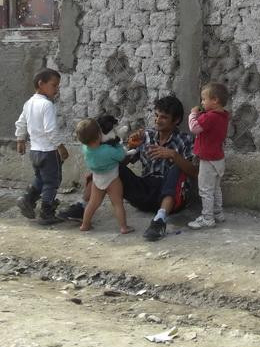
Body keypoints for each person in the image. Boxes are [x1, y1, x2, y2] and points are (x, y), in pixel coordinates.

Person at [57, 95, 197, 242]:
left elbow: (195, 173)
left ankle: (159, 221)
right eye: (156, 115)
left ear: (176, 120)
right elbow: (121, 162)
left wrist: (174, 155)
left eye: (164, 117)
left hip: (171, 196)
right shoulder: (147, 136)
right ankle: (82, 207)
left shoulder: (185, 140)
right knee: (107, 166)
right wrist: (130, 147)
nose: (157, 120)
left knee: (176, 168)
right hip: (144, 190)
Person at [15, 68, 70, 225]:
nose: (57, 89)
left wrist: (20, 140)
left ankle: (27, 199)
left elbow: (21, 122)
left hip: (35, 151)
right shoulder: (47, 105)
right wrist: (61, 147)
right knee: (52, 181)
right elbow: (50, 130)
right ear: (41, 84)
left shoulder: (29, 103)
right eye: (54, 85)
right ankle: (46, 212)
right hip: (49, 152)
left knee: (41, 177)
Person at [74, 118, 134, 234]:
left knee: (92, 203)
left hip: (97, 179)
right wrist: (117, 144)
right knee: (117, 203)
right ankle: (124, 227)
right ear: (99, 135)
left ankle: (85, 225)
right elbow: (121, 156)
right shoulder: (107, 150)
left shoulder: (85, 149)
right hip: (112, 178)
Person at [187, 82, 230, 229]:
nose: (202, 102)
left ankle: (207, 218)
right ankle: (218, 213)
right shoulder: (223, 115)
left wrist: (193, 114)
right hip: (218, 158)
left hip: (208, 159)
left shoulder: (209, 117)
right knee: (216, 188)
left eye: (204, 99)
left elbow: (194, 128)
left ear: (215, 100)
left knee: (205, 190)